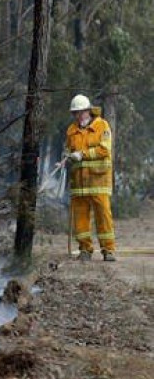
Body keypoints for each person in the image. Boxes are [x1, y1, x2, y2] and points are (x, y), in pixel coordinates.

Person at [63, 94, 116, 261]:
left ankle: (108, 250)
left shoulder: (102, 126)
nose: (78, 116)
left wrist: (82, 154)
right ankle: (85, 249)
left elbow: (104, 150)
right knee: (80, 218)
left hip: (98, 180)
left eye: (80, 112)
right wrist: (65, 158)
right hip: (78, 183)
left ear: (88, 110)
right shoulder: (71, 130)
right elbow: (68, 150)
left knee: (103, 216)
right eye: (75, 113)